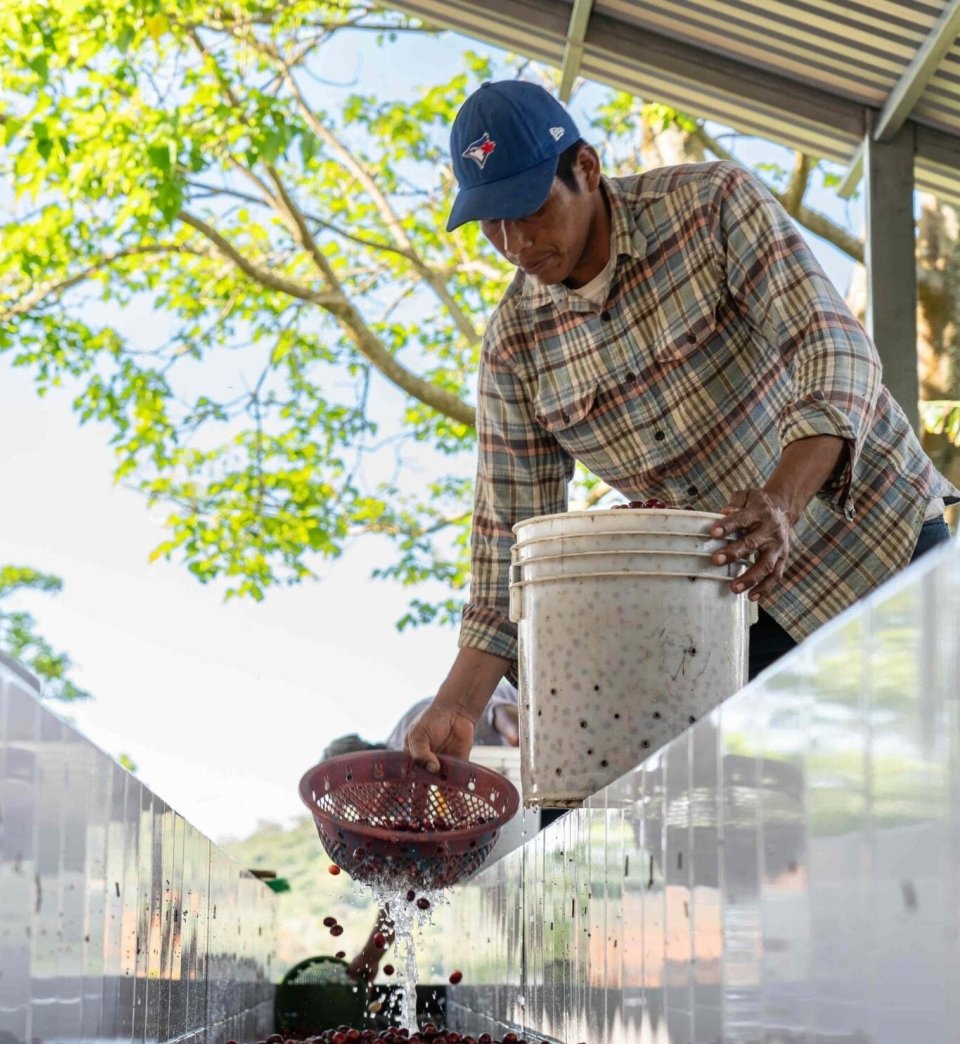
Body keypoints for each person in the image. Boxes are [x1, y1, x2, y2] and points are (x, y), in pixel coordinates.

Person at [407, 79, 956, 773]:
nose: (516, 243)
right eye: (492, 223)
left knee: (943, 771)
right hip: (741, 612)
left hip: (880, 544)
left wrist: (782, 501)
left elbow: (833, 349)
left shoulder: (710, 205)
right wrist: (457, 708)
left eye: (530, 209)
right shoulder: (515, 347)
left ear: (586, 168)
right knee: (814, 807)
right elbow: (505, 551)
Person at [320, 683, 522, 983]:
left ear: (368, 771)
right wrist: (371, 957)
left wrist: (519, 735)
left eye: (354, 799)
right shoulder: (396, 819)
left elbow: (496, 711)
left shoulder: (413, 735)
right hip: (516, 814)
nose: (361, 811)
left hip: (535, 740)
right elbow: (405, 884)